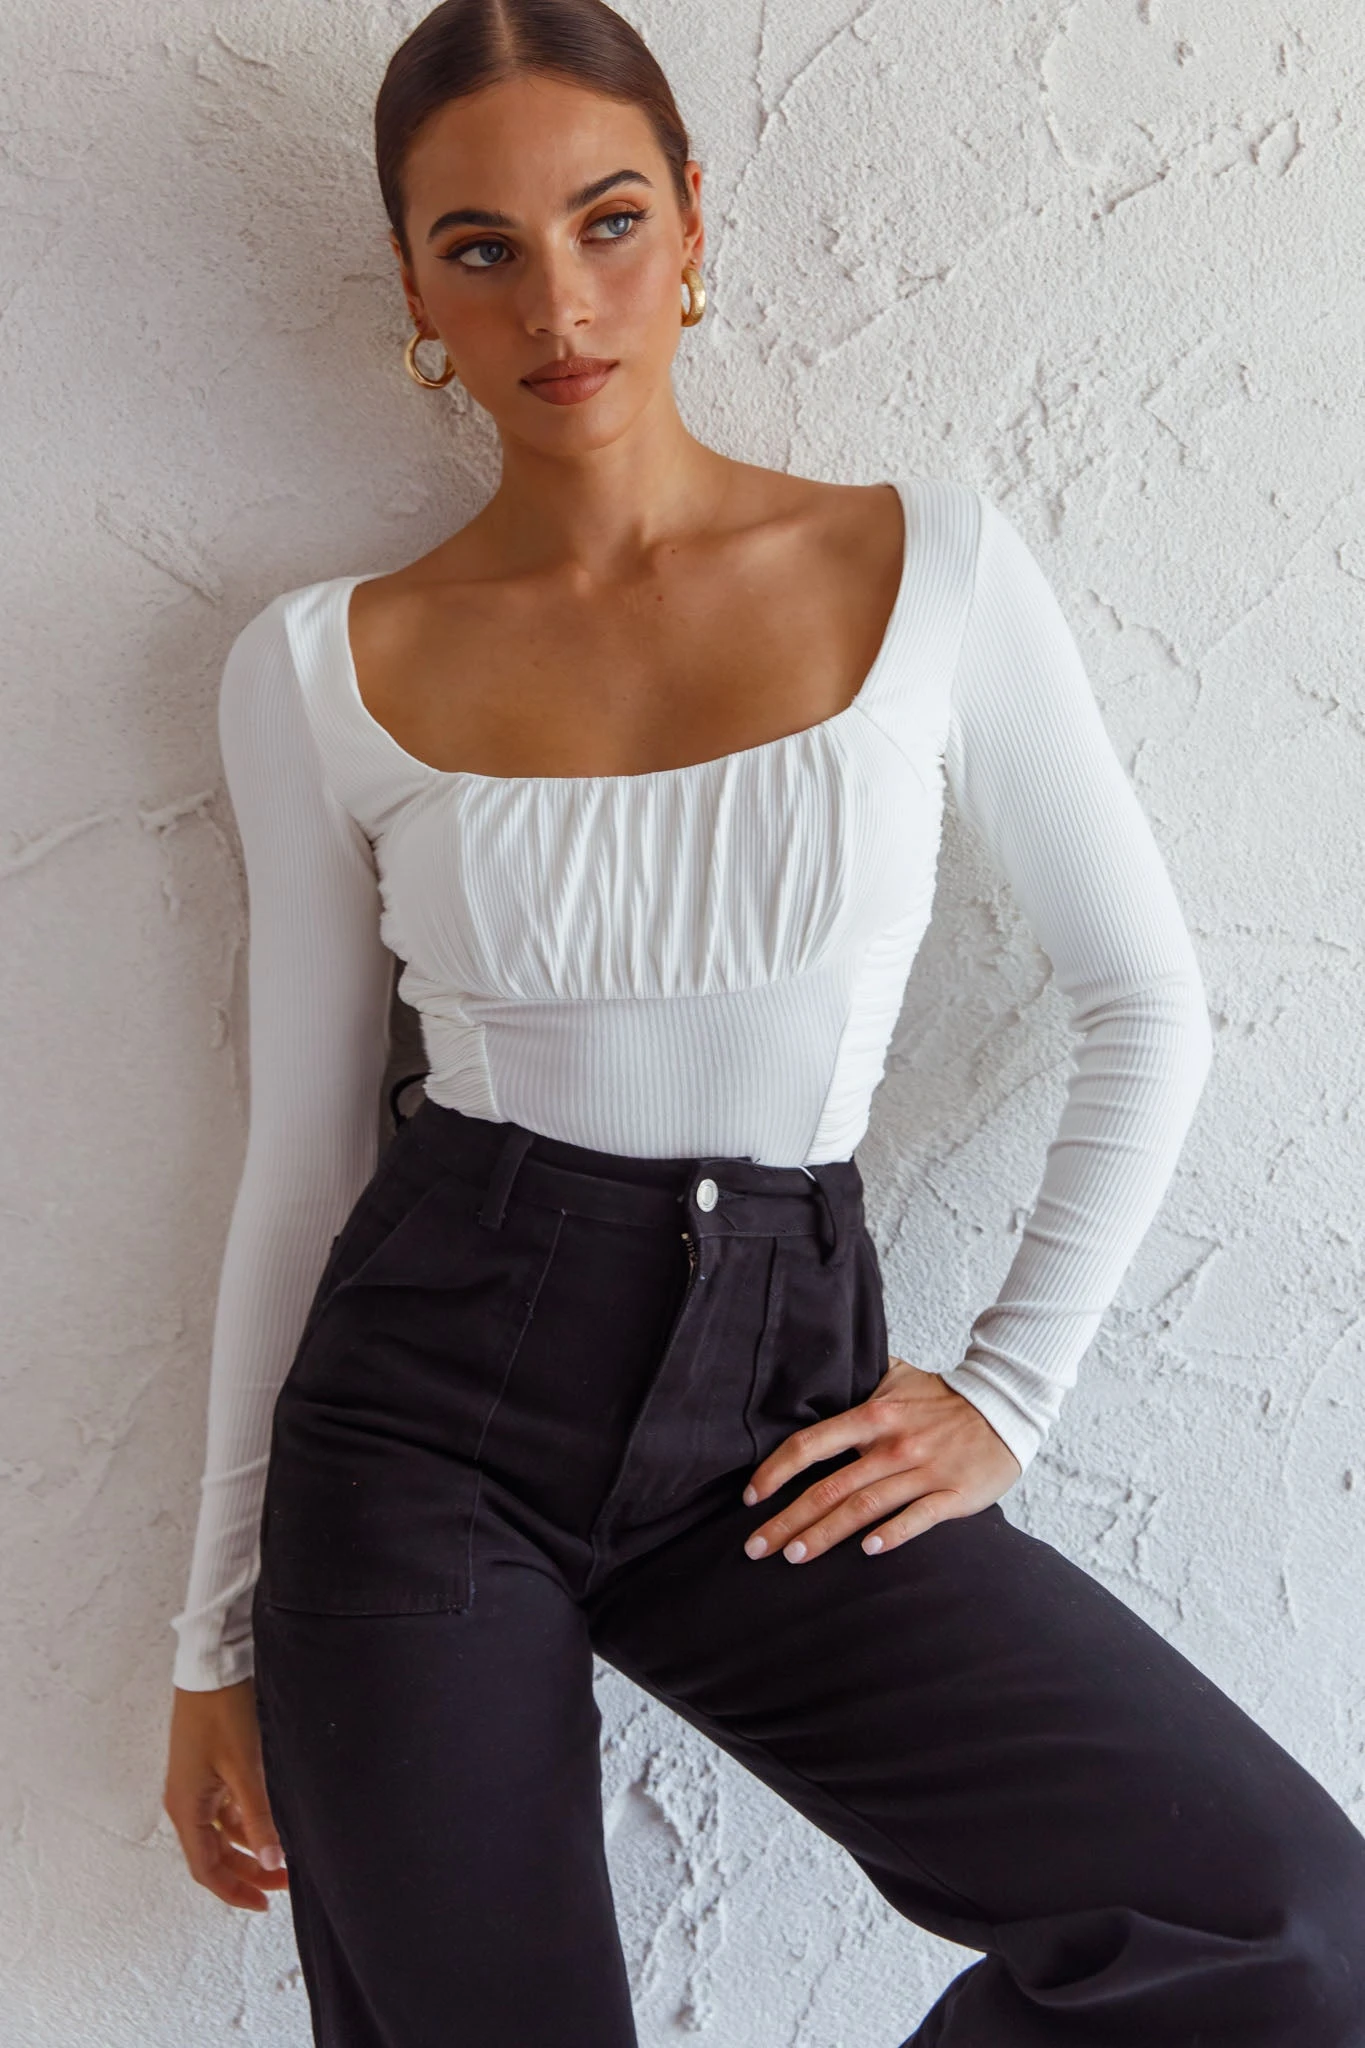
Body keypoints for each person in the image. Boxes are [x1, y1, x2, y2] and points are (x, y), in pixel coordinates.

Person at [161, 2, 1365, 2042]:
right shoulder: (318, 666)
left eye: (608, 220)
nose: (558, 303)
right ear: (415, 291)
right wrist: (215, 1633)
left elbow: (1146, 1001)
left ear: (695, 222)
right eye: (480, 248)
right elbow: (305, 1158)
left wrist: (1009, 1392)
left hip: (776, 1417)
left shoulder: (925, 564)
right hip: (423, 1424)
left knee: (1283, 1930)